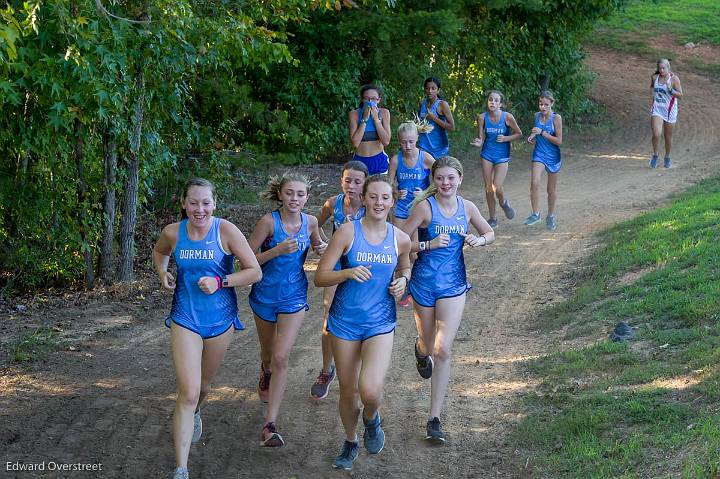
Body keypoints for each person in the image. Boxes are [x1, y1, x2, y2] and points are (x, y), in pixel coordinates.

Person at [153, 178, 262, 479]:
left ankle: (197, 409)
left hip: (220, 320)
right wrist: (162, 271)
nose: (199, 209)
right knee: (187, 392)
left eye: (205, 203)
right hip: (184, 317)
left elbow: (254, 271)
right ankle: (181, 469)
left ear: (214, 204)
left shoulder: (225, 231)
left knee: (202, 388)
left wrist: (221, 282)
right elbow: (159, 252)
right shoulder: (173, 233)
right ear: (184, 204)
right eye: (193, 203)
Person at [314, 175, 411, 470]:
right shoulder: (346, 233)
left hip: (380, 321)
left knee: (369, 390)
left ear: (392, 201)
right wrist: (346, 273)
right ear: (364, 199)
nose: (379, 203)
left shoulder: (400, 238)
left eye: (385, 198)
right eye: (373, 197)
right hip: (344, 321)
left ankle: (371, 418)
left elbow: (405, 264)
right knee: (348, 391)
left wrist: (403, 280)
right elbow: (320, 276)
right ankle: (351, 440)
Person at [401, 156, 494, 445]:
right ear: (434, 180)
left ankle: (434, 419)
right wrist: (427, 244)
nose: (445, 183)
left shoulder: (467, 207)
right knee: (428, 345)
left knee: (442, 350)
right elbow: (399, 241)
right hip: (424, 283)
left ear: (460, 179)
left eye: (450, 178)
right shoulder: (424, 208)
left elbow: (489, 231)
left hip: (453, 285)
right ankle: (419, 349)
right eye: (440, 178)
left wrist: (481, 240)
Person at [247, 173, 326, 447]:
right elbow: (245, 259)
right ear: (280, 194)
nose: (295, 198)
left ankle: (270, 425)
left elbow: (319, 245)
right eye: (290, 193)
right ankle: (265, 369)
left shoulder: (311, 222)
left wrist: (321, 247)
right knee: (269, 355)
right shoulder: (269, 222)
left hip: (294, 297)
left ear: (307, 197)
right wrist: (276, 251)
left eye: (300, 194)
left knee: (282, 357)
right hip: (264, 296)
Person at [309, 161, 369, 400]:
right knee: (328, 319)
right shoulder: (333, 204)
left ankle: (361, 373)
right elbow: (313, 225)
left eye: (357, 181)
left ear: (365, 183)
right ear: (341, 181)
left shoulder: (370, 204)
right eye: (347, 180)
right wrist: (322, 245)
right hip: (336, 266)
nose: (351, 186)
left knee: (361, 318)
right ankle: (326, 370)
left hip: (362, 266)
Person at [470, 90, 523, 229]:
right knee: (488, 188)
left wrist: (506, 138)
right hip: (487, 154)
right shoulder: (482, 118)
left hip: (502, 156)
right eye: (490, 100)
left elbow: (519, 134)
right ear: (487, 102)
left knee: (497, 186)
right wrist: (479, 143)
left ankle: (503, 202)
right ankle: (493, 219)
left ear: (501, 104)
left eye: (495, 100)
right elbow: (481, 138)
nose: (492, 102)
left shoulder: (507, 117)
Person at [524, 90, 563, 231]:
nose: (543, 107)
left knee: (551, 190)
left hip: (553, 157)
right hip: (539, 154)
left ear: (552, 104)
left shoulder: (556, 118)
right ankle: (536, 214)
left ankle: (550, 216)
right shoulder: (537, 116)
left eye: (546, 104)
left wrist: (543, 133)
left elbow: (559, 141)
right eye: (541, 104)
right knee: (534, 182)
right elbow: (536, 130)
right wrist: (532, 136)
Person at [348, 84, 391, 175]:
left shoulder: (384, 113)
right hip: (360, 161)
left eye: (373, 99)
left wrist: (376, 120)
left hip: (379, 160)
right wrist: (364, 119)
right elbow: (355, 143)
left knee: (378, 189)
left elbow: (386, 141)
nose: (370, 101)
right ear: (362, 99)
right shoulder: (354, 114)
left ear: (378, 100)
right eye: (367, 98)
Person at [649, 58, 683, 169]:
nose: (662, 70)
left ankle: (667, 157)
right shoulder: (655, 77)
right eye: (660, 68)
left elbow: (681, 95)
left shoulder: (674, 79)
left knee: (667, 137)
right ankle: (655, 155)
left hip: (670, 110)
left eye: (664, 68)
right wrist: (653, 96)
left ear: (668, 68)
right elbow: (652, 89)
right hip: (657, 109)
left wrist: (671, 91)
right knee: (656, 133)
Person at [417, 77, 455, 159]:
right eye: (427, 88)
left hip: (439, 147)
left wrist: (434, 118)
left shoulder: (442, 105)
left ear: (438, 90)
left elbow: (452, 127)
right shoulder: (422, 103)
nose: (430, 91)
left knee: (438, 171)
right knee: (423, 171)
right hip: (423, 145)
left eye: (433, 88)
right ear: (424, 90)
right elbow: (418, 122)